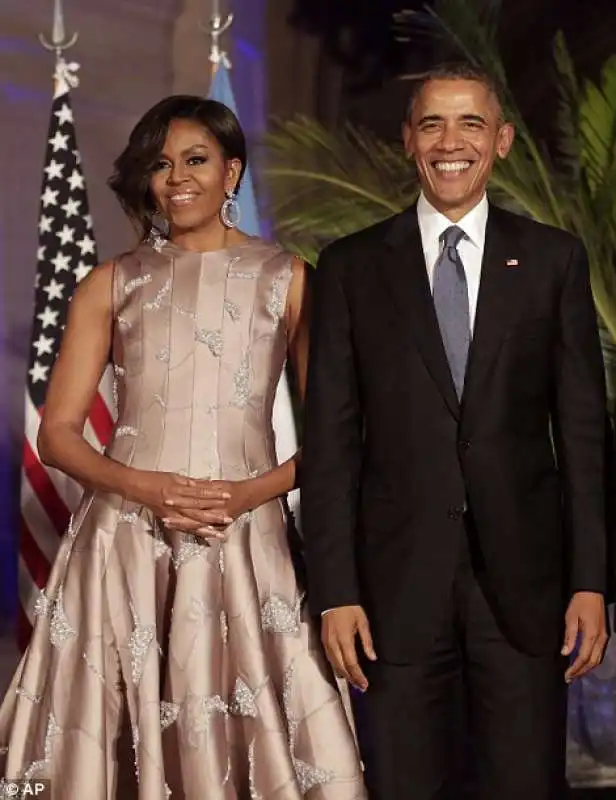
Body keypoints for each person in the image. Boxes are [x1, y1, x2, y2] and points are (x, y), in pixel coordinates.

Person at [0, 96, 366, 799]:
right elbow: (58, 433)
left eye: (195, 160)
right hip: (127, 541)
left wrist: (251, 494)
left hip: (248, 539)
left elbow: (337, 433)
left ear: (233, 172)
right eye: (160, 165)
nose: (177, 178)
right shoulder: (111, 282)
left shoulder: (288, 278)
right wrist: (146, 488)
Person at [301, 62, 610, 799]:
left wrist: (591, 581)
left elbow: (584, 434)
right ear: (408, 140)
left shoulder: (552, 260)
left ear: (501, 141)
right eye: (432, 123)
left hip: (526, 591)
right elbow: (331, 442)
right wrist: (335, 589)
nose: (451, 140)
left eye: (471, 122)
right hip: (392, 596)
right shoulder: (350, 267)